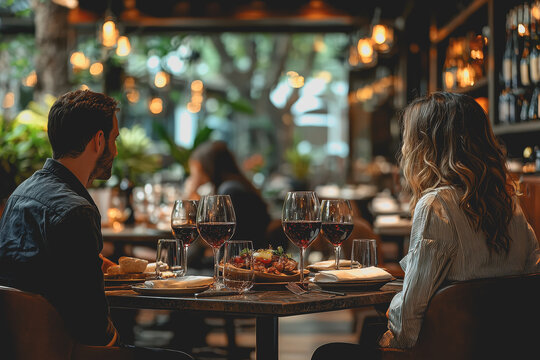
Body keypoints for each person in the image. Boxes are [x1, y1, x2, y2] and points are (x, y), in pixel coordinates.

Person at [312, 92, 540, 359]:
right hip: (501, 349)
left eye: (409, 139)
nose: (405, 149)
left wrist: (389, 328)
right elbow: (530, 281)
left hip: (440, 352)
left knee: (327, 354)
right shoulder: (509, 202)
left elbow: (407, 325)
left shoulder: (436, 205)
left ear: (427, 147)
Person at [0, 90, 192, 359]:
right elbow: (92, 326)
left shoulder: (19, 195)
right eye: (114, 139)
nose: (115, 149)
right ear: (98, 140)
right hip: (71, 351)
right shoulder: (76, 211)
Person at [185, 140, 271, 249]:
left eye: (194, 168)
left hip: (237, 258)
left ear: (206, 166)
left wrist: (191, 192)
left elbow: (207, 241)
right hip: (237, 255)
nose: (192, 174)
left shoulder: (230, 192)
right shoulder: (235, 185)